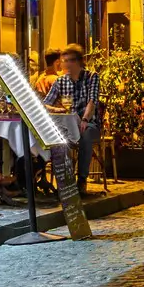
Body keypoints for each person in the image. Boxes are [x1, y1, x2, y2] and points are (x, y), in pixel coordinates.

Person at [42, 44, 102, 191]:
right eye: (64, 60)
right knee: (58, 139)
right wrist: (57, 109)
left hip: (89, 123)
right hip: (68, 124)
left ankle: (82, 178)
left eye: (71, 60)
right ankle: (65, 179)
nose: (67, 64)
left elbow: (92, 101)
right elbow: (45, 104)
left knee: (86, 134)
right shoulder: (60, 81)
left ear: (79, 62)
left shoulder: (91, 77)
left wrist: (85, 119)